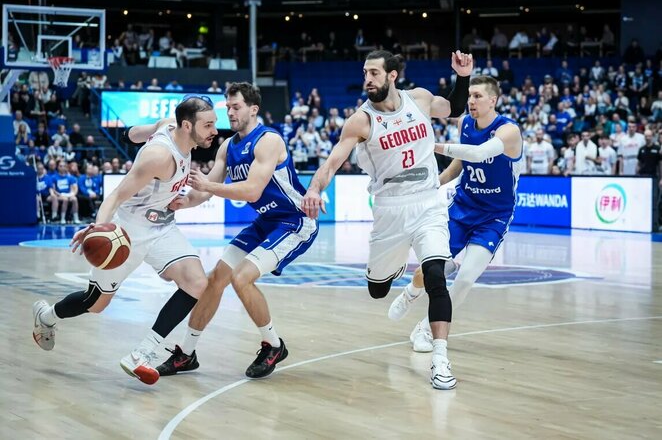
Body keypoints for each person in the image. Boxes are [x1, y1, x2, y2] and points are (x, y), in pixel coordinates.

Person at [302, 49, 473, 390]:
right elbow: (332, 162)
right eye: (365, 72)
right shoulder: (360, 121)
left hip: (427, 201)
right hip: (389, 209)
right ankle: (400, 277)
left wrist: (463, 76)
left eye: (374, 73)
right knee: (377, 290)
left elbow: (453, 108)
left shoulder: (420, 100)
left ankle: (440, 359)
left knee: (437, 275)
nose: (368, 79)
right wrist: (314, 188)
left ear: (392, 76)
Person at [31, 96, 218, 385]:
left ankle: (142, 354)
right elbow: (117, 195)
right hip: (128, 230)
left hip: (162, 228)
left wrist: (135, 135)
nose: (215, 130)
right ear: (186, 125)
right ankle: (47, 317)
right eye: (208, 125)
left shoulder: (170, 126)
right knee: (95, 304)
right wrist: (98, 228)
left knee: (196, 282)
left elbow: (131, 133)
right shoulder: (158, 156)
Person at [155, 82, 318, 380]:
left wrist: (207, 185)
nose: (229, 112)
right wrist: (185, 201)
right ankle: (187, 352)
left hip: (294, 221)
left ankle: (273, 344)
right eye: (227, 107)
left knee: (242, 278)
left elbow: (253, 191)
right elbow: (207, 191)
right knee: (215, 278)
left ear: (253, 109)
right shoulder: (228, 146)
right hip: (265, 223)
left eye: (236, 107)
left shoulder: (268, 140)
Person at [387, 75, 524, 354]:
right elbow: (460, 164)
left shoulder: (509, 131)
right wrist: (435, 183)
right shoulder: (465, 124)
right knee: (432, 268)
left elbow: (479, 153)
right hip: (462, 207)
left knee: (465, 279)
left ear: (493, 100)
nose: (470, 101)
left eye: (477, 96)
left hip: (494, 216)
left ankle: (425, 328)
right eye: (470, 96)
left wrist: (432, 145)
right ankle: (411, 292)